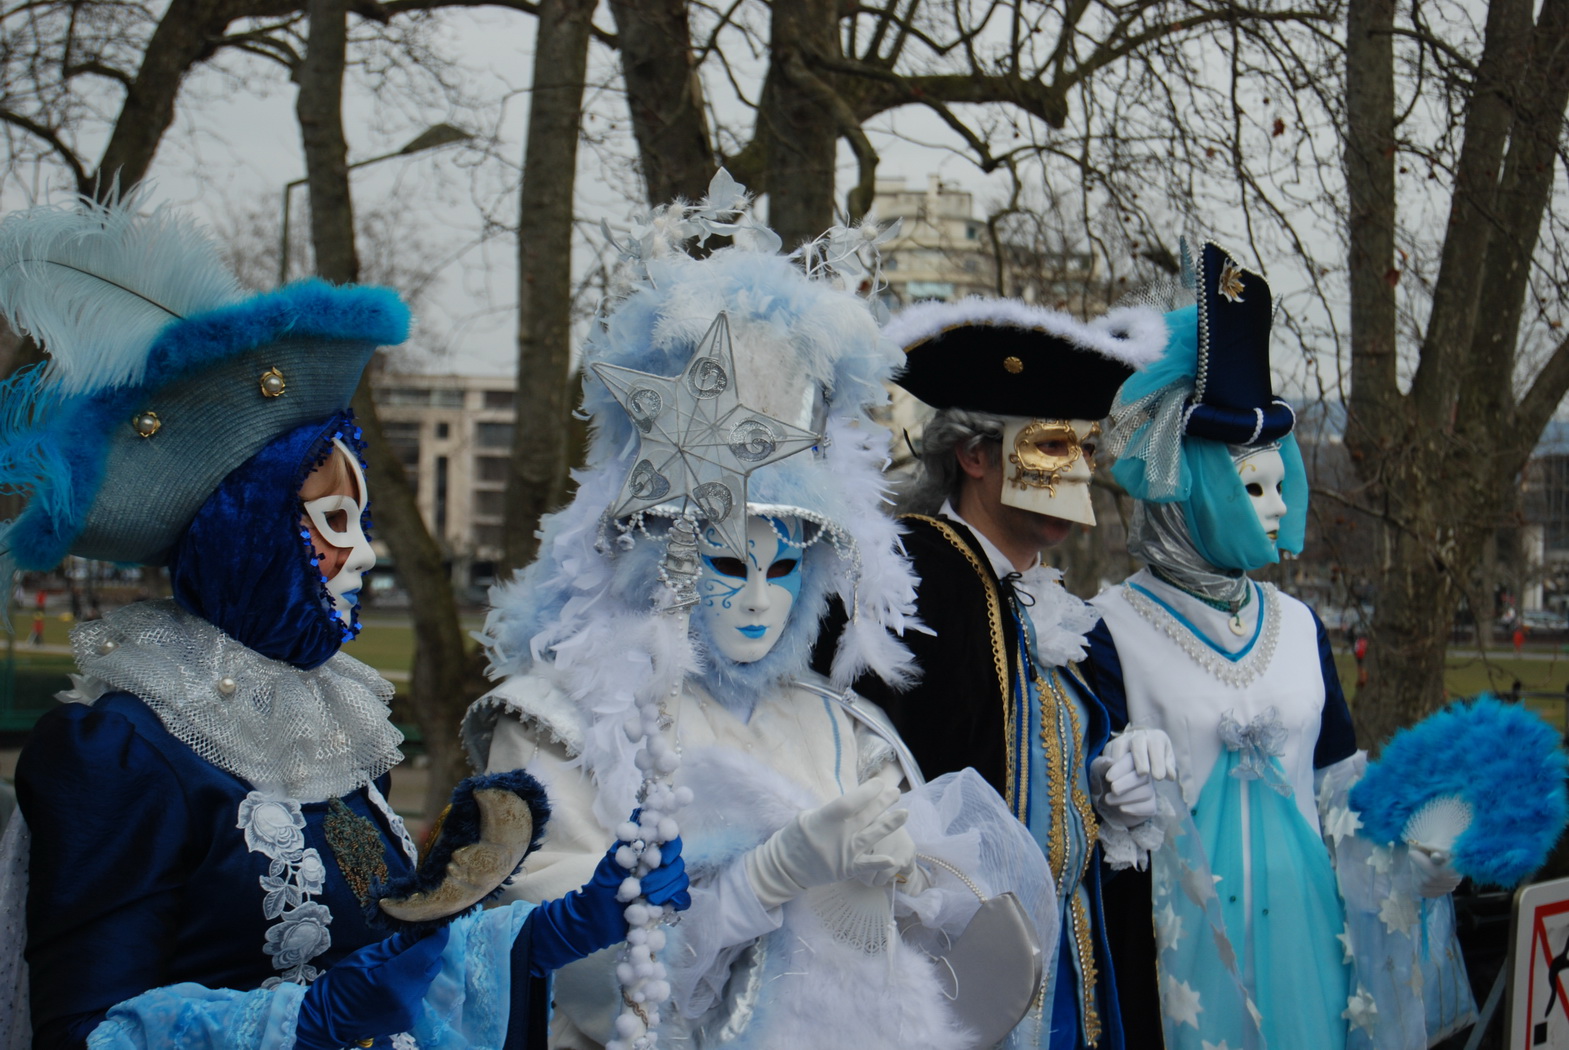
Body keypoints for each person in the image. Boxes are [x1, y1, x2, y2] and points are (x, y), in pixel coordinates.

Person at [0, 194, 687, 1050]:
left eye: (361, 524)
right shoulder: (122, 753)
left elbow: (389, 962)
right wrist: (299, 1025)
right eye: (331, 524)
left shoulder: (332, 728)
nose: (362, 554)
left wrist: (547, 932)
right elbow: (83, 1031)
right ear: (246, 536)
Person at [463, 184, 1056, 1050]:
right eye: (724, 562)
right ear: (655, 552)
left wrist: (911, 890)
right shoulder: (558, 726)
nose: (756, 597)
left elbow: (923, 969)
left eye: (786, 568)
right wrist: (762, 880)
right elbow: (579, 982)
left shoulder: (842, 732)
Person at [1081, 241, 1469, 1050]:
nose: (1271, 506)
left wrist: (1416, 862)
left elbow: (1338, 802)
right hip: (1178, 962)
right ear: (1185, 487)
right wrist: (1108, 787)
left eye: (1278, 483)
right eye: (1245, 485)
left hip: (1307, 944)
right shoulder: (1103, 629)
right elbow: (1088, 821)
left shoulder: (1298, 627)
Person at [820, 296, 1174, 1050]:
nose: (1077, 471)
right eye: (1052, 448)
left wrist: (1108, 795)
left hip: (1067, 958)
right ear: (974, 454)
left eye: (1084, 451)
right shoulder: (916, 578)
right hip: (954, 966)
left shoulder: (1046, 602)